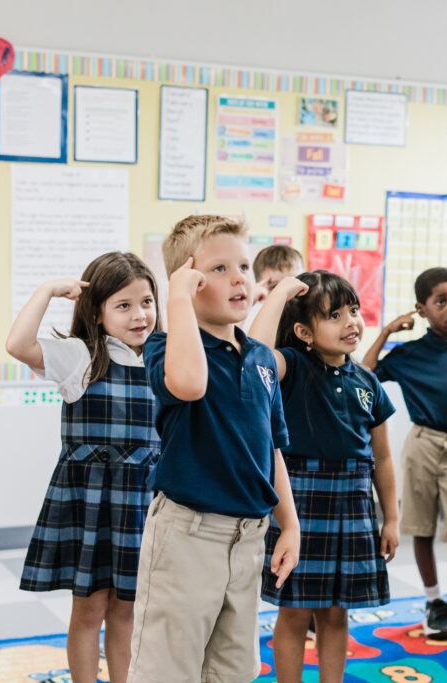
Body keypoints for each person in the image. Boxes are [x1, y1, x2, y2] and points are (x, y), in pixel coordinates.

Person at [128, 214, 300, 683]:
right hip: (187, 537)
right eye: (219, 269)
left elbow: (272, 448)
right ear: (188, 278)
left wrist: (290, 524)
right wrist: (177, 296)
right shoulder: (165, 347)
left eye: (243, 266)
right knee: (168, 669)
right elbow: (188, 383)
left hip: (248, 538)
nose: (239, 277)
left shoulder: (262, 359)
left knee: (234, 670)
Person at [6, 252, 162, 683]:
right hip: (90, 501)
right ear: (97, 311)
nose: (139, 315)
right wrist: (47, 291)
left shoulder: (162, 358)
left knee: (127, 610)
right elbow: (18, 345)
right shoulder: (81, 356)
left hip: (142, 502)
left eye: (146, 302)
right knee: (89, 607)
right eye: (124, 305)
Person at [251, 270, 399, 683]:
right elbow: (255, 356)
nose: (351, 321)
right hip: (299, 502)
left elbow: (382, 458)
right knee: (294, 612)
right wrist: (278, 294)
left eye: (353, 310)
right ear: (304, 331)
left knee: (336, 613)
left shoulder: (368, 382)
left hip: (353, 504)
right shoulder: (293, 366)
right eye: (335, 315)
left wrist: (392, 517)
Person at [363, 267, 447, 639]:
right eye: (441, 301)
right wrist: (387, 332)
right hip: (425, 444)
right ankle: (434, 600)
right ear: (422, 309)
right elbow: (363, 373)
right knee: (421, 526)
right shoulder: (409, 354)